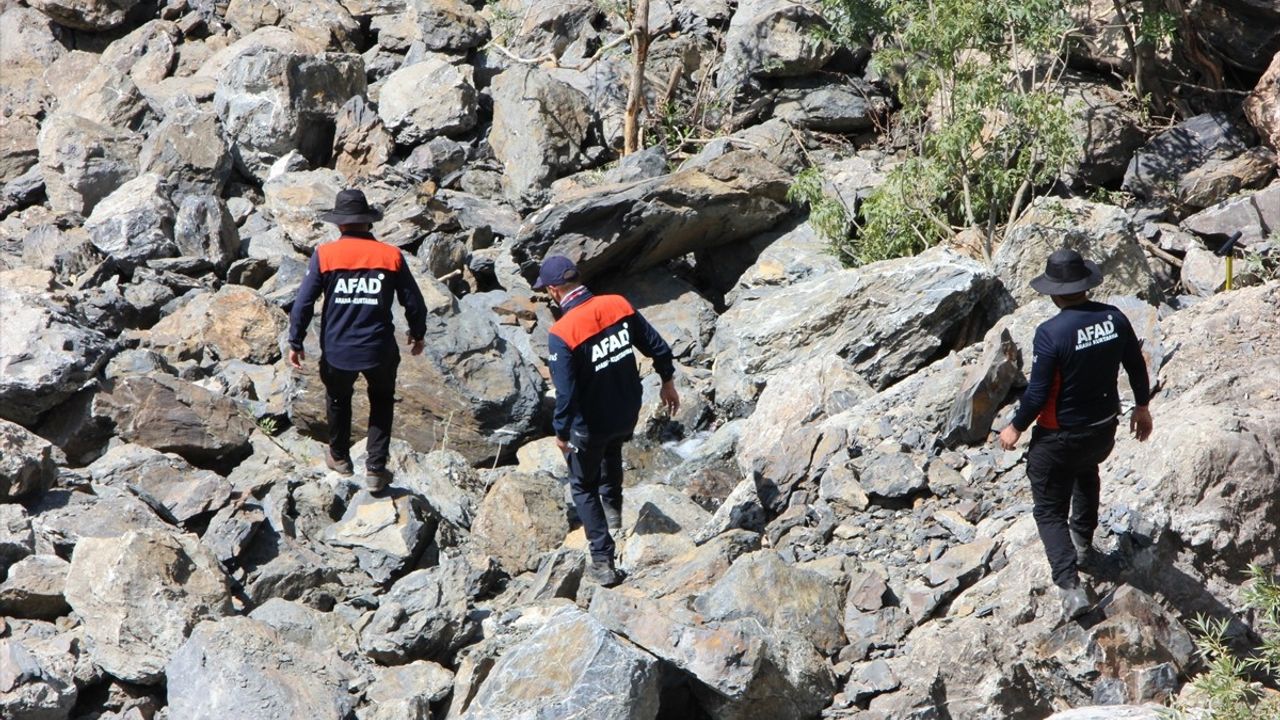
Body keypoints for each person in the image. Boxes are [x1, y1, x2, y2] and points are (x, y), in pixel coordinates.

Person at [998, 248, 1153, 621]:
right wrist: (1142, 406)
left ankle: (1069, 585)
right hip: (1103, 429)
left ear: (1054, 293)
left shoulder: (1050, 333)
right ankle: (1082, 544)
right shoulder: (1114, 318)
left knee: (1048, 511)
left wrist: (1016, 426)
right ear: (1085, 285)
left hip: (1060, 437)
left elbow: (1037, 393)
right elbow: (1135, 364)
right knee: (1086, 471)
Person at [535, 255, 680, 587]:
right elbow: (658, 347)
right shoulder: (618, 304)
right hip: (627, 410)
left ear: (554, 291)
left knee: (582, 485)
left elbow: (566, 394)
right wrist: (667, 382)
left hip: (591, 423)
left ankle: (603, 561)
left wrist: (561, 433)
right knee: (611, 447)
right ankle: (613, 512)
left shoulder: (562, 333)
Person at [288, 189, 428, 490]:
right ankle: (376, 468)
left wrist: (295, 341)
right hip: (379, 349)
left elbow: (303, 303)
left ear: (340, 224)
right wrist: (418, 333)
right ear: (368, 222)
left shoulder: (325, 254)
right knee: (382, 400)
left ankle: (339, 458)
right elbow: (414, 302)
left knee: (338, 399)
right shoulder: (390, 255)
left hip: (338, 349)